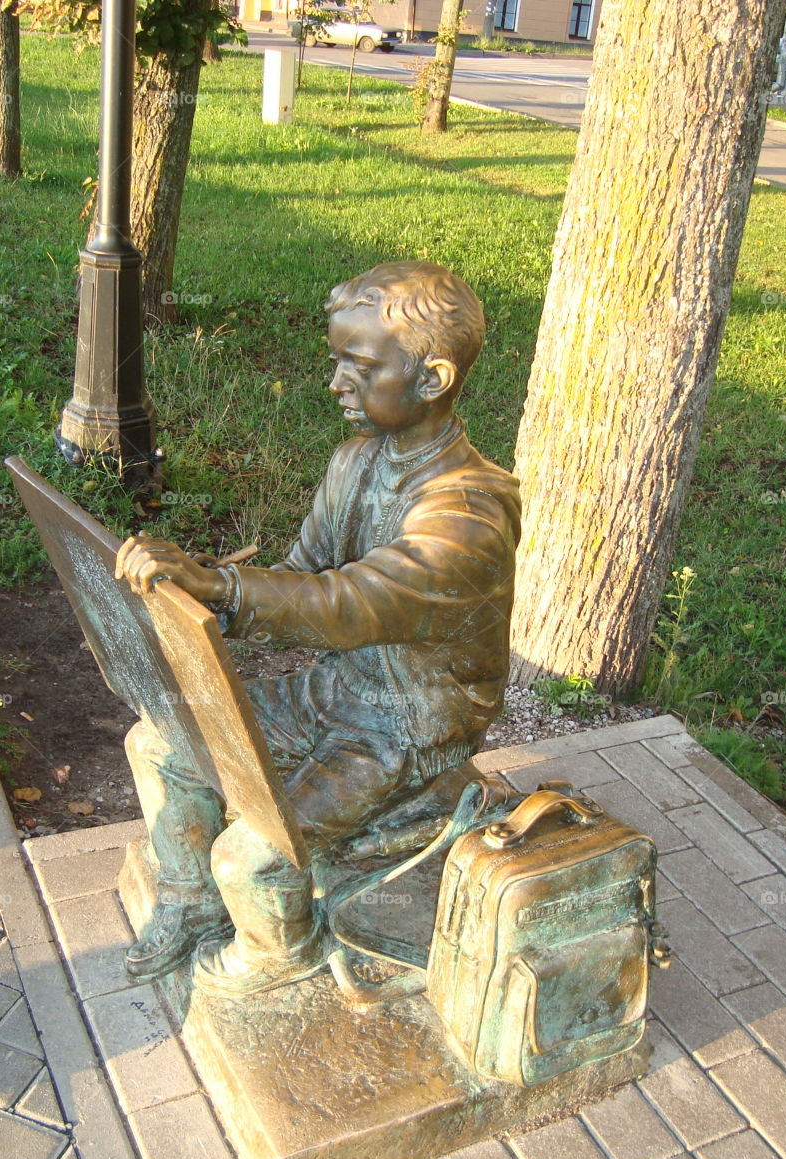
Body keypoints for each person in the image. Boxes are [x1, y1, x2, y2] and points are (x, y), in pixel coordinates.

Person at [115, 260, 521, 997]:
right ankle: (189, 901)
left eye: (358, 366)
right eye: (337, 360)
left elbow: (346, 603)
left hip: (410, 726)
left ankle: (282, 950)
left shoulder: (468, 516)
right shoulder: (355, 462)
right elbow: (301, 580)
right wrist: (195, 596)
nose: (336, 382)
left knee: (252, 856)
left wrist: (221, 587)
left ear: (431, 379)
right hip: (342, 686)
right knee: (159, 737)